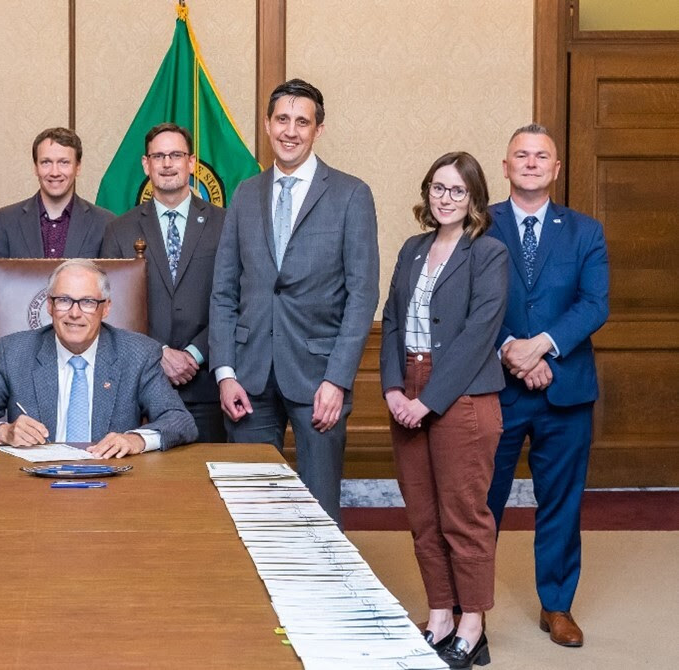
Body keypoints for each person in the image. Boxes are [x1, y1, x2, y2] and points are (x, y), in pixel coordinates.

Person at [208, 78, 379, 524]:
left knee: (320, 510)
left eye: (302, 121)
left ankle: (322, 595)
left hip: (319, 381)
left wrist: (338, 381)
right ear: (267, 125)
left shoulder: (350, 194)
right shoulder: (245, 193)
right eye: (282, 119)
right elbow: (224, 290)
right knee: (250, 509)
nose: (290, 130)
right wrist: (225, 373)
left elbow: (362, 296)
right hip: (248, 381)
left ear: (318, 130)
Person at [380, 152, 507, 668]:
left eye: (457, 190)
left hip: (464, 396)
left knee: (463, 517)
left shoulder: (489, 253)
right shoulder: (413, 249)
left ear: (474, 197)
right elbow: (390, 319)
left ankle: (472, 626)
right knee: (424, 516)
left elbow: (479, 335)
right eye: (437, 188)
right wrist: (393, 388)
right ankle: (439, 616)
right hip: (406, 384)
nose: (445, 198)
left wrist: (427, 402)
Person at [486, 124, 610, 648]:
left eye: (542, 156)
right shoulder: (479, 225)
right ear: (506, 165)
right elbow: (465, 300)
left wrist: (539, 346)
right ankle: (471, 607)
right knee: (480, 502)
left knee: (561, 500)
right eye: (522, 155)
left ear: (556, 169)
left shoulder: (586, 231)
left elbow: (594, 304)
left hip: (566, 388)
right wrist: (511, 349)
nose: (532, 163)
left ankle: (556, 605)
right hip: (495, 387)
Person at [0, 260, 197, 456]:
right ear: (50, 306)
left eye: (87, 302)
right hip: (33, 490)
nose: (74, 313)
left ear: (105, 308)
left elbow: (180, 421)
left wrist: (136, 440)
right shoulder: (15, 353)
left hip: (112, 487)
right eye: (64, 300)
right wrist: (1, 432)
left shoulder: (137, 354)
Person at [101, 122, 227, 442]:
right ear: (146, 164)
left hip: (207, 388)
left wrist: (195, 354)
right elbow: (109, 310)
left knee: (203, 486)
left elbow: (235, 300)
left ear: (192, 162)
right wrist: (159, 353)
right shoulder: (119, 230)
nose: (167, 164)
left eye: (175, 155)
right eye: (158, 156)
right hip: (138, 390)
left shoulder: (224, 224)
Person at [0, 127, 115, 258]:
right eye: (46, 162)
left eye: (64, 162)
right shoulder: (5, 220)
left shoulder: (105, 223)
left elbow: (110, 277)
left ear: (78, 167)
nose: (54, 172)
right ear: (35, 167)